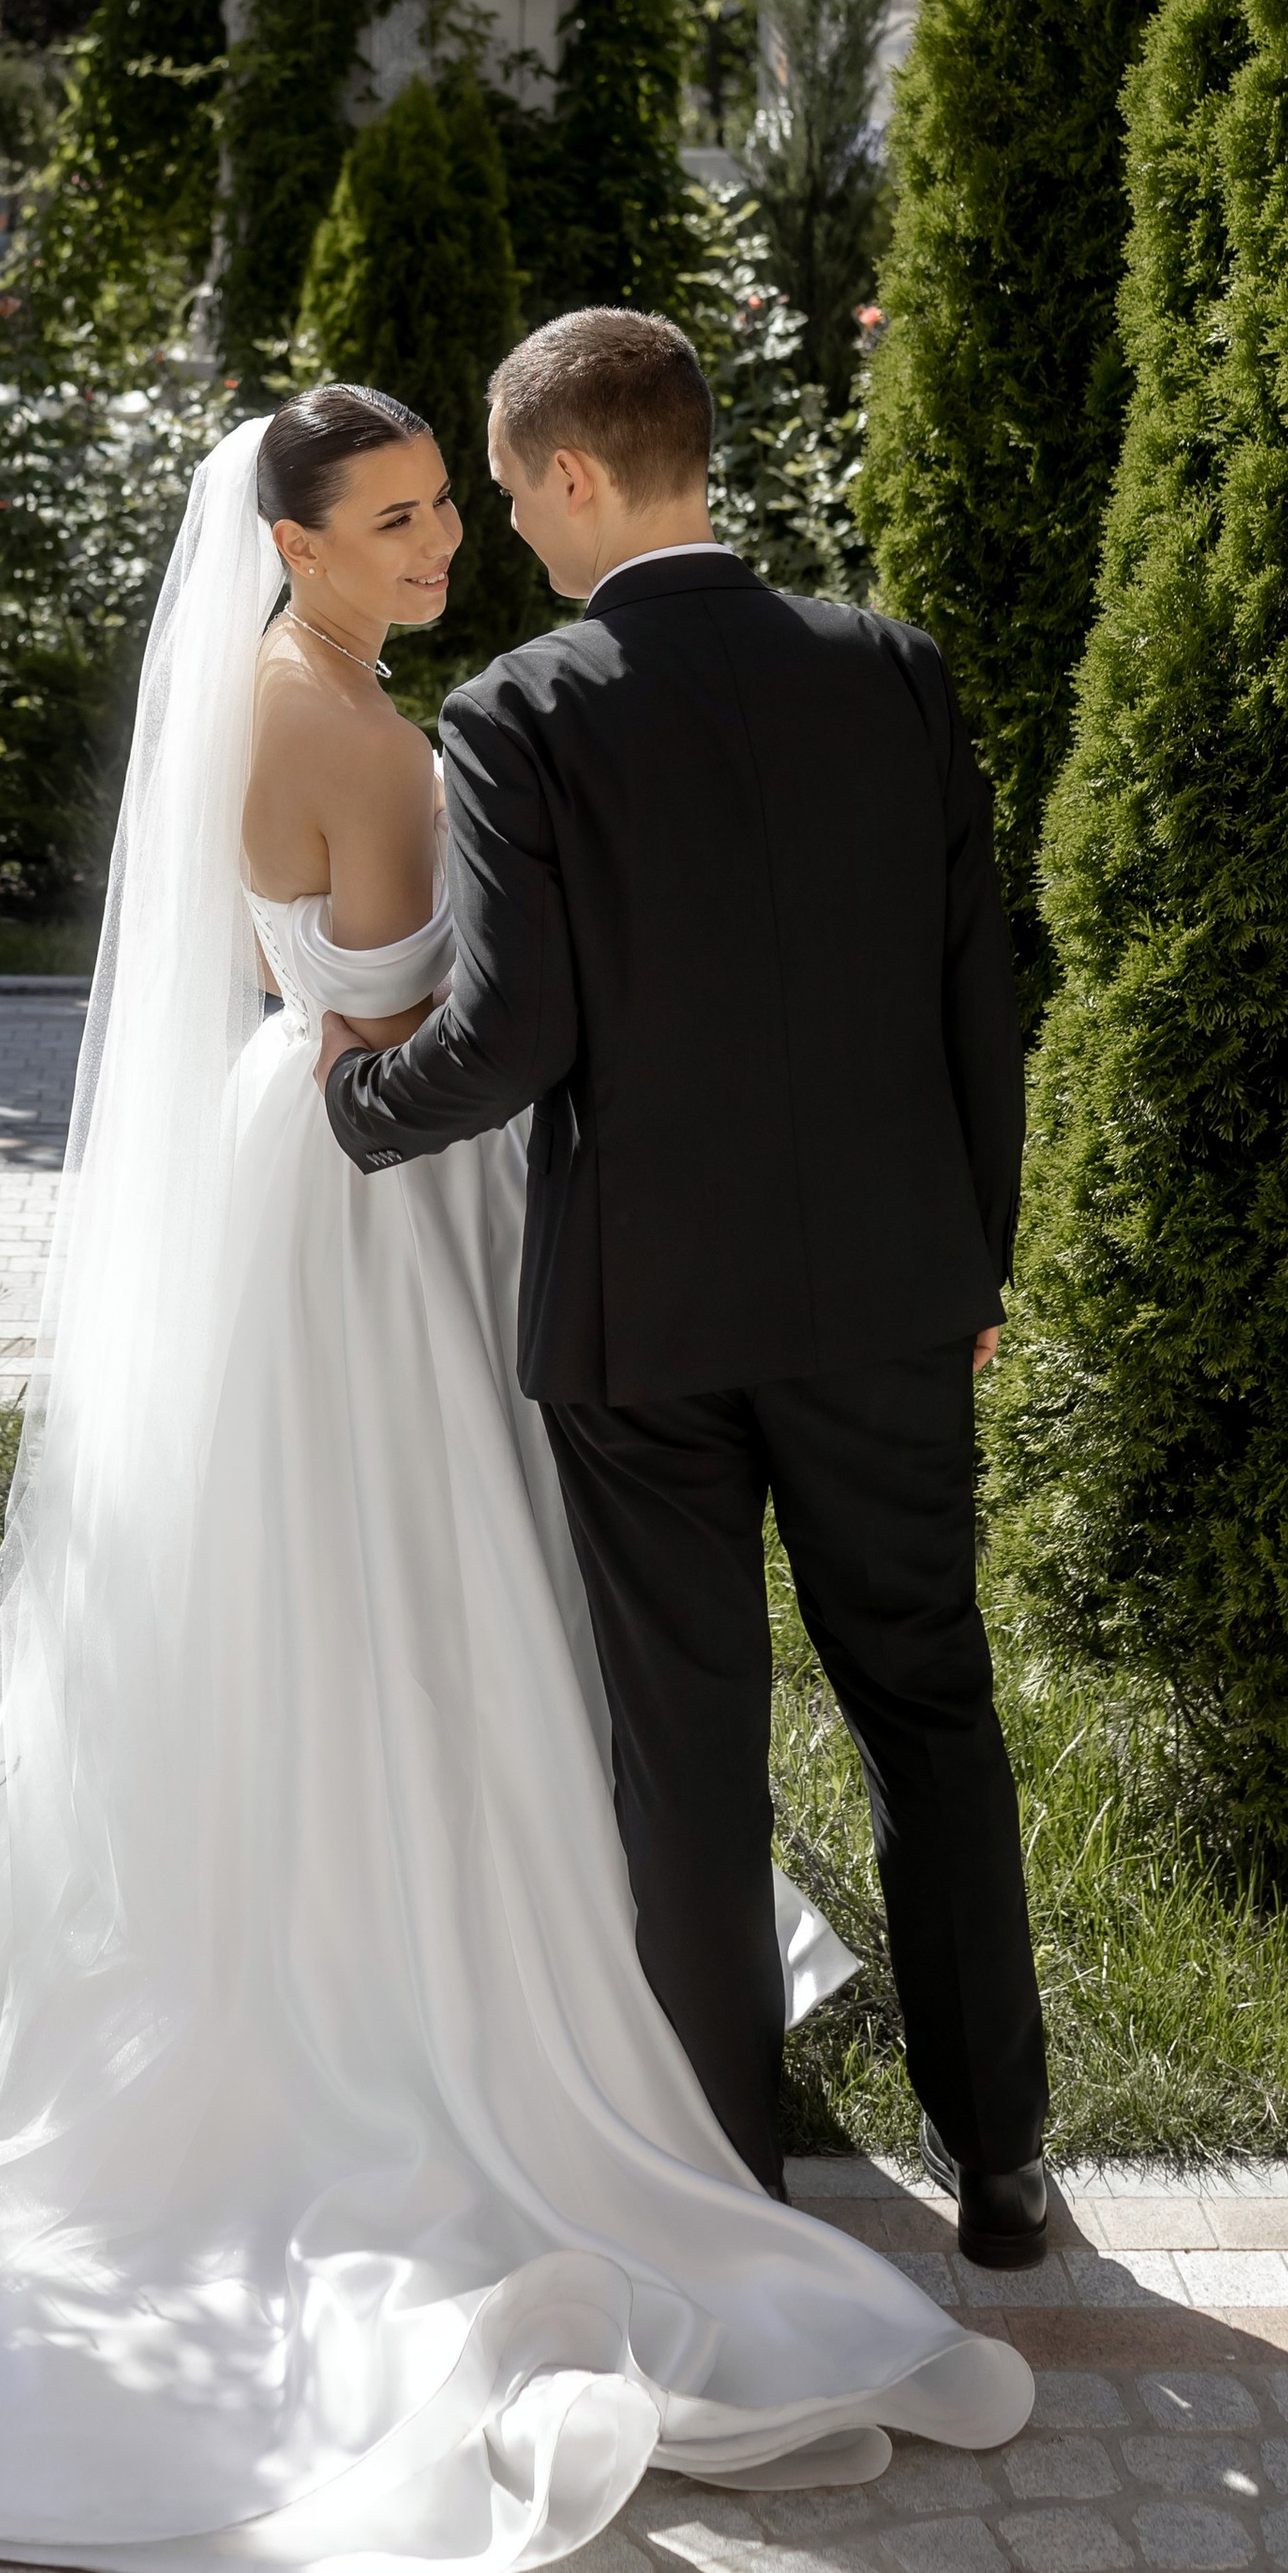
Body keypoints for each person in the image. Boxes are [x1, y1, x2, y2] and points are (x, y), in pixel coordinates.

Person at [0, 385, 1032, 2573]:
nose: (447, 546)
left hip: (339, 1169)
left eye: (452, 503)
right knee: (518, 1625)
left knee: (469, 1647)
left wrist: (369, 1078)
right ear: (288, 541)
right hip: (413, 1196)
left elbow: (400, 996)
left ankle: (640, 2079)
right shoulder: (443, 727)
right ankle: (791, 2109)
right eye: (397, 521)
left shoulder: (350, 704)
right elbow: (540, 1023)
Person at [321, 308, 1050, 2270]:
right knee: (929, 1707)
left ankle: (731, 2193)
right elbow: (977, 986)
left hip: (644, 1325)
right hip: (894, 1296)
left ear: (572, 471)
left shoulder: (522, 712)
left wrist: (348, 1110)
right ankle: (999, 2171)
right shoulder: (889, 672)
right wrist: (970, 1259)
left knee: (687, 1747)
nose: (500, 525)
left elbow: (510, 1037)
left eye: (502, 485)